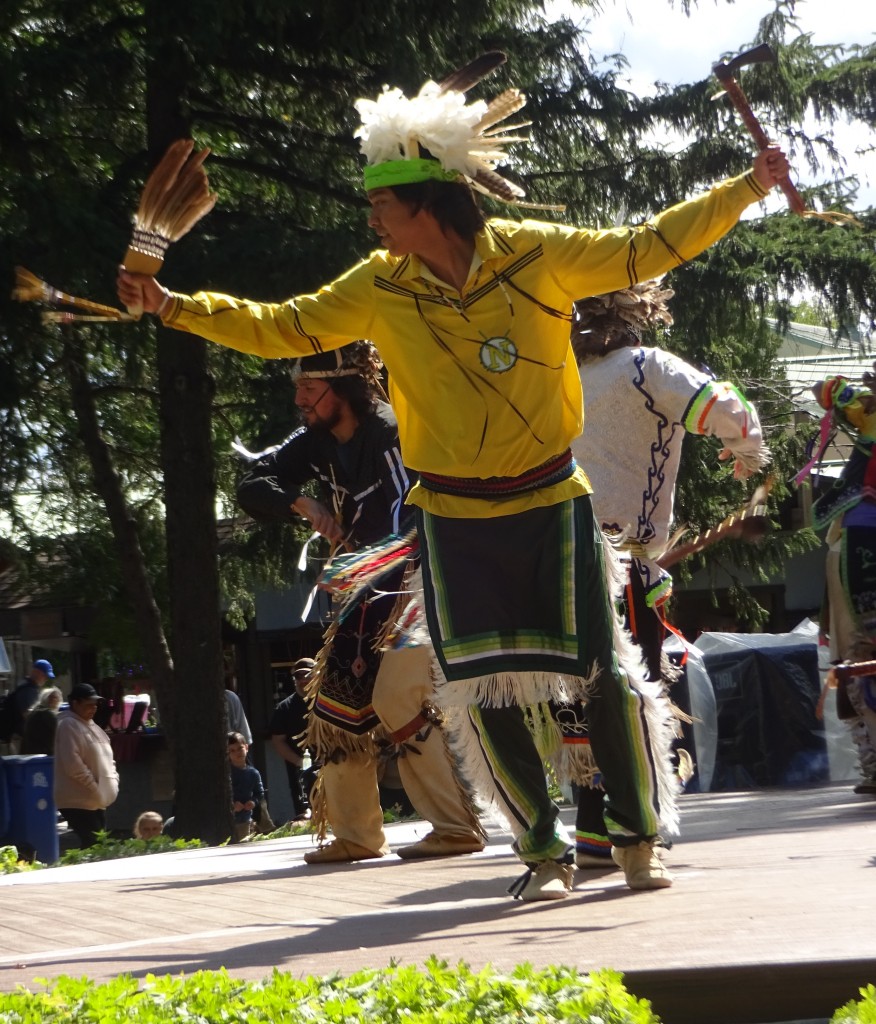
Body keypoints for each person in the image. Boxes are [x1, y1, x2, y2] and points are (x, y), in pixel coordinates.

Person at [117, 58, 790, 899]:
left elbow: (645, 246)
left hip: (553, 502)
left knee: (605, 675)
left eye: (382, 203)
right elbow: (285, 326)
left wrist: (746, 188)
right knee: (483, 691)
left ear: (428, 204)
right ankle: (542, 854)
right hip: (454, 516)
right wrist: (174, 305)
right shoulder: (377, 285)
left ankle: (636, 840)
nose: (371, 217)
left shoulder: (537, 257)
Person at [236, 343, 484, 863]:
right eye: (297, 388)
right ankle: (356, 834)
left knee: (397, 700)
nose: (300, 399)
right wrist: (301, 501)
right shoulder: (314, 439)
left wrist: (356, 566)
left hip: (420, 587)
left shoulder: (391, 433)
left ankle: (456, 825)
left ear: (342, 387)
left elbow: (410, 519)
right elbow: (254, 481)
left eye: (310, 388)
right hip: (363, 594)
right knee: (336, 705)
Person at [568, 280, 770, 868]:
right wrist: (750, 456)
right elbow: (727, 408)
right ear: (636, 314)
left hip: (557, 562)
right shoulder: (645, 368)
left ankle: (594, 833)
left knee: (579, 693)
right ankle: (630, 829)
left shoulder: (553, 377)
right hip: (622, 565)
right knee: (630, 691)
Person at [806, 375, 876, 794]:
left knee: (857, 652)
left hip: (857, 542)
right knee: (858, 652)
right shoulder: (869, 411)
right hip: (858, 544)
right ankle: (872, 761)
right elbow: (826, 390)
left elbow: (828, 391)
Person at [54, 682, 120, 848]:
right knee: (94, 844)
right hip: (78, 799)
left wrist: (113, 781)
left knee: (98, 844)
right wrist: (95, 788)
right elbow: (72, 765)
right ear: (75, 703)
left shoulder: (94, 727)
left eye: (95, 704)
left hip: (96, 800)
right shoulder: (68, 725)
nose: (93, 708)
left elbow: (109, 759)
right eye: (88, 704)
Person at [268, 657, 317, 820]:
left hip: (331, 764)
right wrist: (298, 761)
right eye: (298, 676)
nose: (303, 680)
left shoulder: (327, 702)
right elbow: (278, 740)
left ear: (316, 675)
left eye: (307, 675)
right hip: (300, 771)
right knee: (305, 815)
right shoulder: (284, 708)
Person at [6, 659, 55, 752]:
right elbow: (28, 715)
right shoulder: (28, 690)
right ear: (36, 672)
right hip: (20, 738)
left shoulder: (27, 687)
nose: (45, 679)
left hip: (23, 737)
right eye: (44, 675)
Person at [228, 730, 264, 841]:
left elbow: (259, 793)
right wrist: (232, 805)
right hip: (226, 820)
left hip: (244, 819)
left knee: (243, 843)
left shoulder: (253, 773)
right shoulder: (227, 773)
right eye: (232, 750)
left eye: (240, 748)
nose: (237, 752)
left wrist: (253, 802)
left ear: (246, 748)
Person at [21, 685, 63, 755]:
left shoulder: (35, 711)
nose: (57, 700)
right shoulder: (46, 713)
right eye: (55, 697)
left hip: (29, 753)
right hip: (42, 754)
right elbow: (61, 731)